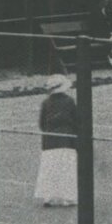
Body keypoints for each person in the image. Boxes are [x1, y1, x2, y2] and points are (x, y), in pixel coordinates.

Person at [33, 76, 79, 208]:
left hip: (49, 141)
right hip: (66, 140)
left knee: (50, 168)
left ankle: (48, 197)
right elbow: (76, 120)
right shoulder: (69, 101)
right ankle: (68, 197)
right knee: (66, 168)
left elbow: (41, 123)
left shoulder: (46, 103)